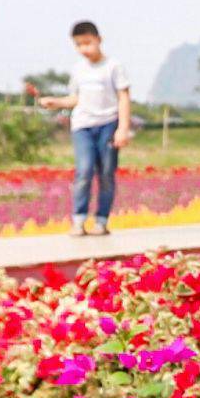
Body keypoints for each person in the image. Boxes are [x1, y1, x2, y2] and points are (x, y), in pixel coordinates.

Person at [35, 20, 131, 236]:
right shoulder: (78, 70)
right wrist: (56, 102)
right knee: (84, 170)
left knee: (106, 172)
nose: (84, 49)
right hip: (83, 126)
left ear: (99, 40)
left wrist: (122, 128)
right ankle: (78, 219)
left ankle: (101, 220)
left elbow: (123, 97)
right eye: (79, 45)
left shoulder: (113, 67)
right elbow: (75, 98)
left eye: (87, 43)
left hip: (107, 123)